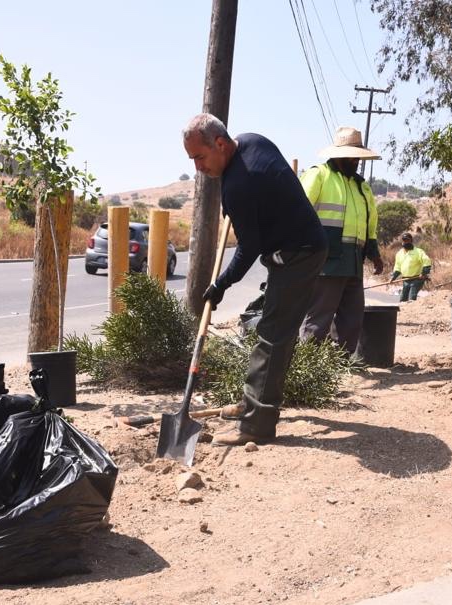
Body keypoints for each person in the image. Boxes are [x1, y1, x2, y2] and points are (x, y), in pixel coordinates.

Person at [183, 113, 327, 445]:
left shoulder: (240, 185)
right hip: (300, 246)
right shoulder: (250, 141)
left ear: (220, 144)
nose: (197, 168)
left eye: (200, 157)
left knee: (272, 335)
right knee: (279, 332)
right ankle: (255, 404)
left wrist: (220, 285)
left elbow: (248, 249)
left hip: (298, 254)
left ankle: (256, 425)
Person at [299, 126, 384, 353]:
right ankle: (308, 371)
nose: (356, 161)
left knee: (351, 321)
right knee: (318, 320)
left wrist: (374, 252)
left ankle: (335, 369)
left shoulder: (361, 186)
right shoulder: (319, 175)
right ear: (338, 154)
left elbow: (370, 222)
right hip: (326, 262)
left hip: (354, 262)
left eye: (358, 157)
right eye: (352, 156)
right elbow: (297, 214)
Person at [391, 232, 432, 302]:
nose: (405, 242)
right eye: (404, 240)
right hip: (405, 280)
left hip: (417, 279)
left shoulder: (418, 252)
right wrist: (393, 277)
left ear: (411, 241)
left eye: (407, 240)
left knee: (411, 297)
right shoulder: (399, 253)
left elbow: (427, 261)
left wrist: (424, 273)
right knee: (403, 299)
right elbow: (397, 267)